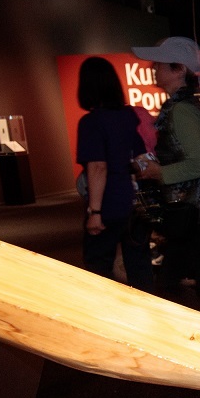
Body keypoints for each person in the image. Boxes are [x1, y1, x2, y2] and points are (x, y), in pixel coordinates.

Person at [131, 36, 200, 316]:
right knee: (195, 281)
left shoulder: (180, 111)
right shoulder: (184, 107)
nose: (154, 68)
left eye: (160, 64)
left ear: (178, 69)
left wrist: (159, 172)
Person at [74, 56, 155, 293]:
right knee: (139, 266)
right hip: (134, 204)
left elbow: (98, 167)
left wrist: (95, 212)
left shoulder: (91, 122)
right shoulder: (128, 117)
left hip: (109, 204)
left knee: (98, 266)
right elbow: (140, 159)